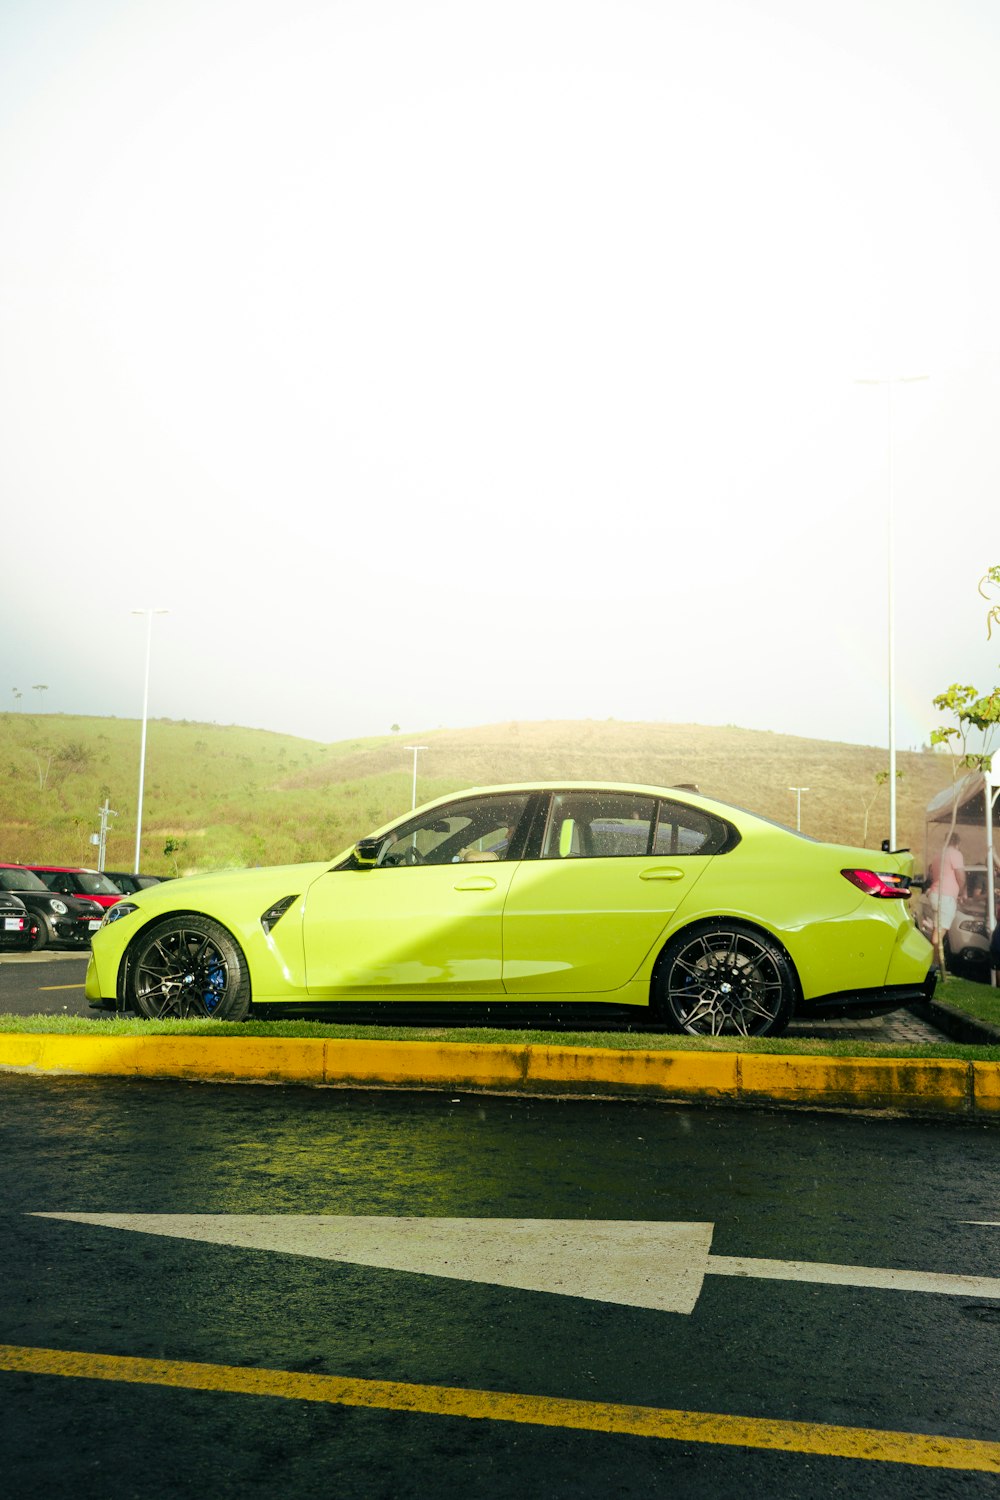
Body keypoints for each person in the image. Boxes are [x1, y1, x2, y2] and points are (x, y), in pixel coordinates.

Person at [922, 831, 967, 947]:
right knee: (939, 933)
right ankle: (935, 963)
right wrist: (961, 892)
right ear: (958, 843)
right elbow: (961, 877)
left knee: (937, 930)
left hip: (935, 893)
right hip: (945, 897)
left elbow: (932, 875)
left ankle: (935, 960)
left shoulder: (939, 854)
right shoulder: (956, 854)